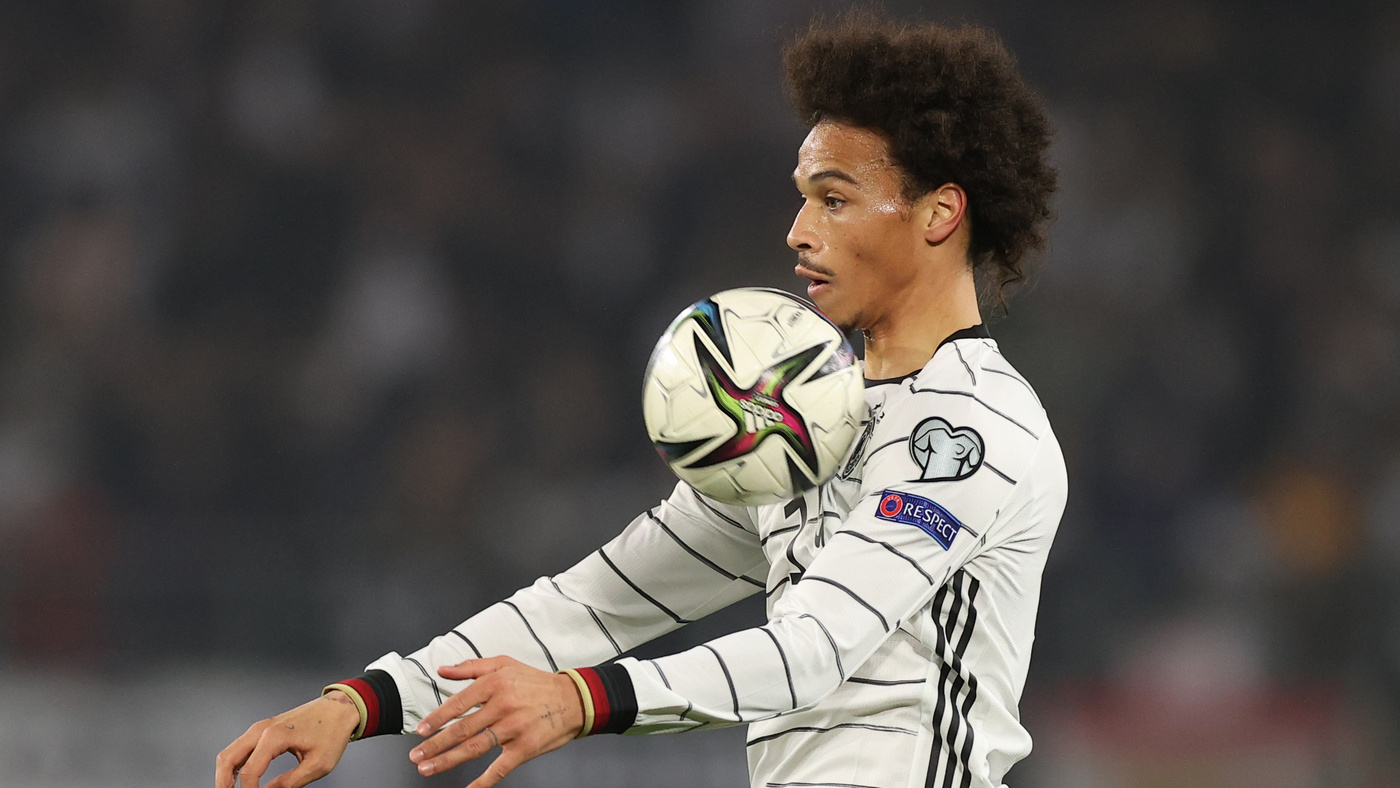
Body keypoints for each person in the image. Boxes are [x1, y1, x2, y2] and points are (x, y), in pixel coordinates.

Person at [215, 13, 1063, 788]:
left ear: (939, 214)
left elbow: (814, 649)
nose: (799, 231)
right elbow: (595, 604)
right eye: (804, 198)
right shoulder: (803, 424)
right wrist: (359, 703)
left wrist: (580, 700)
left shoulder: (971, 424)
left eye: (834, 200)